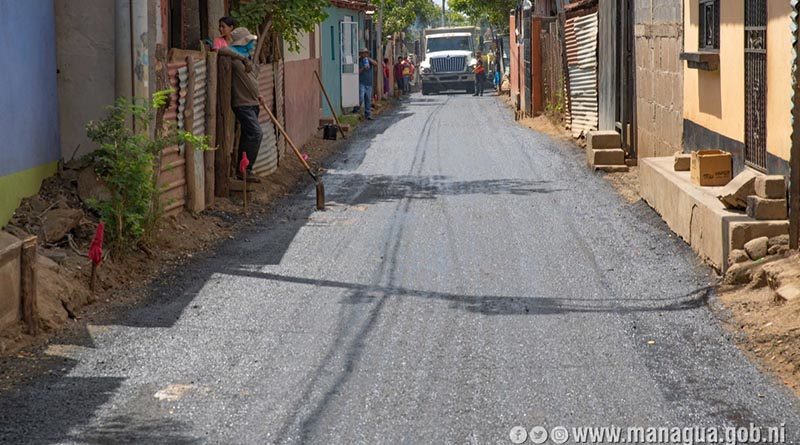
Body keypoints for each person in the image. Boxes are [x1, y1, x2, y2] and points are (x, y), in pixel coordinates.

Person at [218, 28, 263, 182]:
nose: (252, 44)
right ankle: (246, 170)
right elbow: (221, 50)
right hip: (242, 104)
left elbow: (250, 80)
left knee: (248, 136)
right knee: (256, 133)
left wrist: (258, 94)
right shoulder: (233, 55)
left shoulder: (247, 57)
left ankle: (243, 170)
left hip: (253, 102)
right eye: (250, 42)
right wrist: (242, 59)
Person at [358, 48, 378, 120]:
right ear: (360, 54)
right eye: (363, 53)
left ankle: (368, 114)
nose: (364, 54)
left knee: (368, 99)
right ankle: (357, 109)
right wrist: (363, 68)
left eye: (366, 53)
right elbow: (358, 72)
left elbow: (376, 64)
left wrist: (369, 60)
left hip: (369, 83)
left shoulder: (369, 60)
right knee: (361, 97)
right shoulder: (359, 61)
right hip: (361, 82)